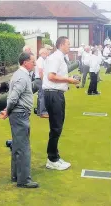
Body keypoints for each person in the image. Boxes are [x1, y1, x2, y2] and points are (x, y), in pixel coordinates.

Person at [0, 52, 39, 188]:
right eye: (33, 61)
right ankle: (23, 180)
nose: (35, 63)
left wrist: (8, 111)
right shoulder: (22, 77)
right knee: (23, 147)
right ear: (25, 62)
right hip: (20, 114)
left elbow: (13, 97)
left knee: (17, 146)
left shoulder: (20, 75)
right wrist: (7, 111)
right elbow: (13, 97)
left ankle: (16, 176)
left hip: (18, 114)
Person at [42, 36, 80, 170]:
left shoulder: (59, 58)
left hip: (56, 93)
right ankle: (52, 159)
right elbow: (51, 76)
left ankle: (54, 156)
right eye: (68, 44)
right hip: (53, 94)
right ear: (61, 45)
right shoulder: (56, 58)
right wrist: (68, 80)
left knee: (57, 126)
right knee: (56, 127)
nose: (70, 46)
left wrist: (67, 82)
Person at [34, 48, 49, 118]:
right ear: (42, 53)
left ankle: (39, 112)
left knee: (40, 95)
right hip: (40, 79)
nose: (47, 54)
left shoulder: (43, 60)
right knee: (42, 96)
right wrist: (44, 81)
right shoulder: (40, 60)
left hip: (39, 79)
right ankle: (42, 112)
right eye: (46, 53)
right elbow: (40, 72)